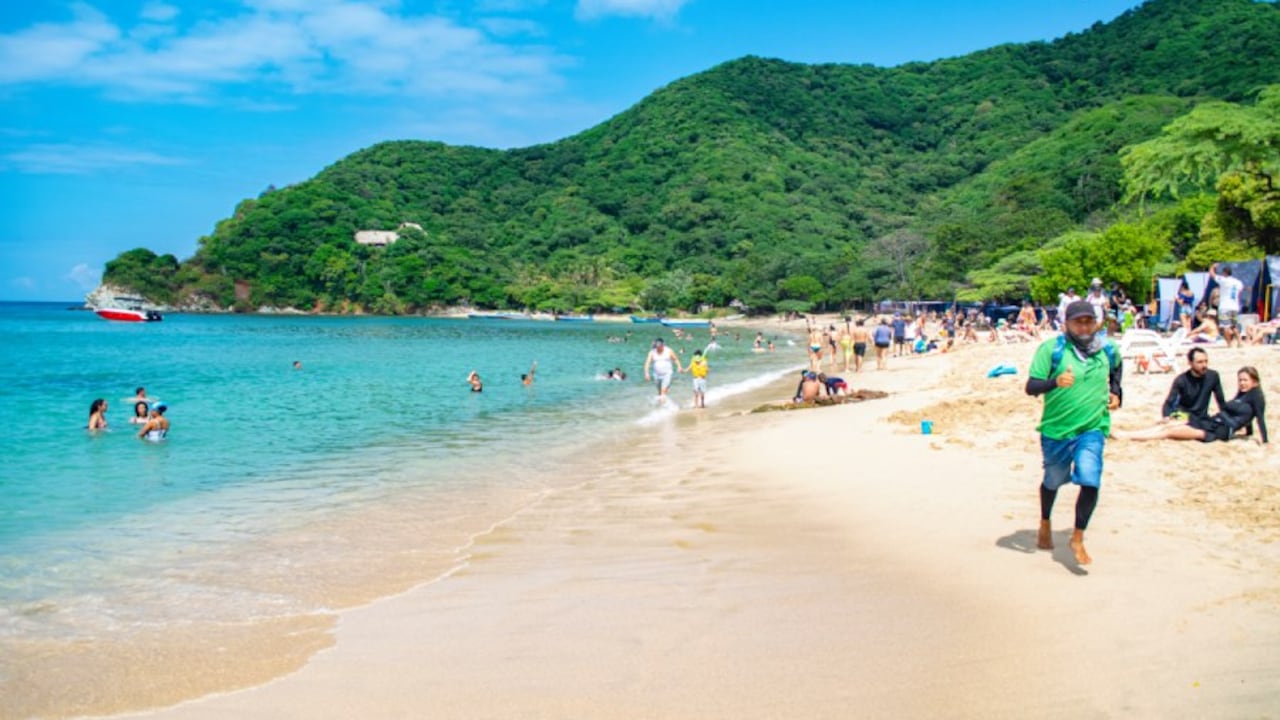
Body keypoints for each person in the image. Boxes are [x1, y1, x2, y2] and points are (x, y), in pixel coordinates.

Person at [1024, 300, 1123, 565]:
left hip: (1092, 428)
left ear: (1096, 323)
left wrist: (1116, 392)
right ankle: (1045, 521)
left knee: (1090, 479)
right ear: (1066, 324)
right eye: (1078, 321)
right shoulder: (1052, 350)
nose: (1083, 326)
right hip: (1057, 430)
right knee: (1053, 481)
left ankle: (1077, 537)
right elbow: (1031, 387)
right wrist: (1054, 382)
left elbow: (1117, 368)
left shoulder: (1108, 349)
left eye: (1088, 321)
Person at [1115, 367, 1267, 445]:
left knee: (1170, 432)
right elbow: (1246, 417)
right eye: (1240, 380)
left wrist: (1265, 441)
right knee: (1170, 424)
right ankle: (1130, 433)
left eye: (1245, 380)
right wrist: (1248, 432)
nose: (1241, 383)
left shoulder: (1257, 396)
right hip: (1213, 421)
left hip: (1220, 431)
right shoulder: (1243, 394)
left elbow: (1259, 417)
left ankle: (1128, 436)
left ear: (1255, 381)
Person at [1161, 348, 1226, 422]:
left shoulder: (1212, 376)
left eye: (1206, 361)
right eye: (1200, 362)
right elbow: (1169, 403)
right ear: (1190, 363)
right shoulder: (1181, 380)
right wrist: (1166, 417)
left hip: (1202, 418)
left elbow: (1221, 401)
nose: (1204, 365)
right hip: (1184, 418)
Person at [1210, 264, 1244, 347]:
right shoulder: (1238, 282)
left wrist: (1212, 267)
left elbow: (1212, 275)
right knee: (1233, 326)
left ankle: (1229, 344)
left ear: (1224, 273)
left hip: (1225, 306)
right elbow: (1240, 292)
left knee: (1225, 326)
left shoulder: (1224, 280)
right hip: (1234, 306)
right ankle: (1239, 342)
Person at [643, 337, 683, 404]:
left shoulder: (669, 351)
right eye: (657, 346)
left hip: (667, 374)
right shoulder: (652, 352)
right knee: (659, 392)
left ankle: (663, 409)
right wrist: (646, 373)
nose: (658, 348)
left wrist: (679, 366)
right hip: (656, 375)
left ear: (663, 345)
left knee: (663, 391)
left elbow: (675, 359)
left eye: (659, 346)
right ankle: (661, 406)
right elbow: (647, 363)